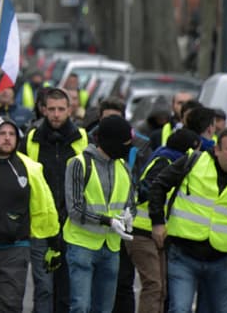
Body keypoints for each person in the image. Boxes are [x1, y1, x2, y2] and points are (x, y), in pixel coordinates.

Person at [0, 116, 59, 313]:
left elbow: (45, 205)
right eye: (1, 133)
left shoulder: (30, 168)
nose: (7, 138)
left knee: (11, 304)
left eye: (12, 134)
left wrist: (52, 240)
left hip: (15, 248)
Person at [149, 127, 227, 313]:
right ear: (217, 150)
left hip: (221, 260)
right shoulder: (194, 162)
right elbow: (158, 185)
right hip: (184, 256)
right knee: (180, 308)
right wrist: (157, 222)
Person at [21, 88, 88, 313]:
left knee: (68, 289)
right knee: (44, 288)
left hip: (73, 223)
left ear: (70, 110)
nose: (56, 114)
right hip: (41, 225)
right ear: (43, 110)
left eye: (61, 109)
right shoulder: (32, 139)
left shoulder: (82, 138)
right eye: (51, 109)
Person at [64, 115, 136, 313]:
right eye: (125, 144)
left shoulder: (123, 167)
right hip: (82, 245)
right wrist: (108, 221)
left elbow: (131, 202)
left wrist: (129, 217)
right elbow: (75, 209)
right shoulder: (79, 164)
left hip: (111, 247)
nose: (128, 148)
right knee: (81, 306)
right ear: (111, 142)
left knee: (104, 308)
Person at [128, 129, 200, 313]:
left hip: (154, 232)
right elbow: (147, 190)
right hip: (142, 231)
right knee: (154, 286)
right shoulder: (165, 162)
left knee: (162, 288)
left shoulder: (165, 158)